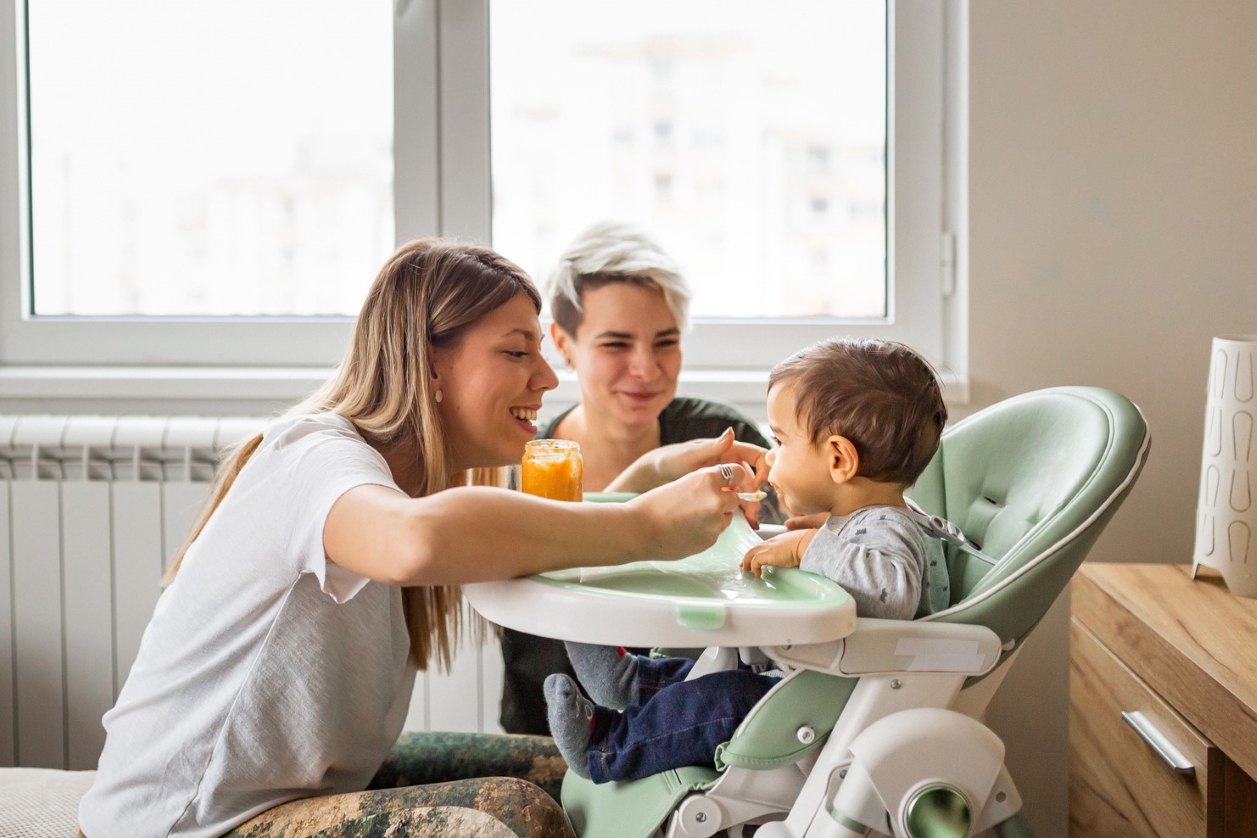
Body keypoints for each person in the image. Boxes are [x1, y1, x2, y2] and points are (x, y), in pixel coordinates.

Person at [77, 239, 759, 838]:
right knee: (513, 818)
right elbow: (413, 544)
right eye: (516, 352)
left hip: (307, 795)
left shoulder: (416, 486)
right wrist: (642, 526)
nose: (548, 378)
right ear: (428, 363)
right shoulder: (314, 454)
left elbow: (537, 541)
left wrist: (644, 479)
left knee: (592, 765)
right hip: (188, 823)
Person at [543, 337, 952, 783]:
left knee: (726, 700)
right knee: (717, 673)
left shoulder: (891, 525)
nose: (771, 455)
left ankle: (609, 748)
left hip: (838, 707)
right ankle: (629, 681)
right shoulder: (860, 523)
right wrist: (804, 543)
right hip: (808, 682)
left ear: (838, 459)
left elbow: (892, 594)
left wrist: (806, 548)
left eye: (780, 440)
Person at [500, 221, 782, 736]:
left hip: (709, 731)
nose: (647, 369)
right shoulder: (524, 461)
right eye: (616, 344)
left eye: (665, 342)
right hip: (557, 736)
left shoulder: (721, 440)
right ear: (562, 342)